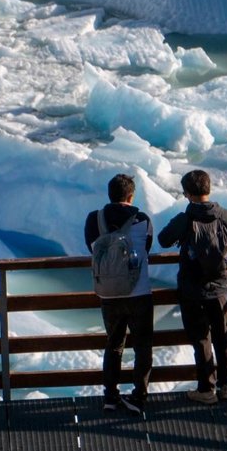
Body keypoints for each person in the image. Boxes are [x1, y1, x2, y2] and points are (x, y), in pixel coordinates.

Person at [157, 169, 227, 404]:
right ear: (208, 188)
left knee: (201, 338)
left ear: (187, 193)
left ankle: (206, 390)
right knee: (223, 337)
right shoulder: (225, 215)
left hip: (192, 290)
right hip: (221, 288)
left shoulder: (185, 219)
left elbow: (163, 240)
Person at [84, 173, 154, 415]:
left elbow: (92, 249)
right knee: (142, 346)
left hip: (109, 294)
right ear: (131, 195)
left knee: (114, 344)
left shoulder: (95, 219)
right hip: (139, 293)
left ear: (109, 194)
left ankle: (111, 397)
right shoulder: (142, 219)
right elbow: (146, 248)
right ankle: (139, 397)